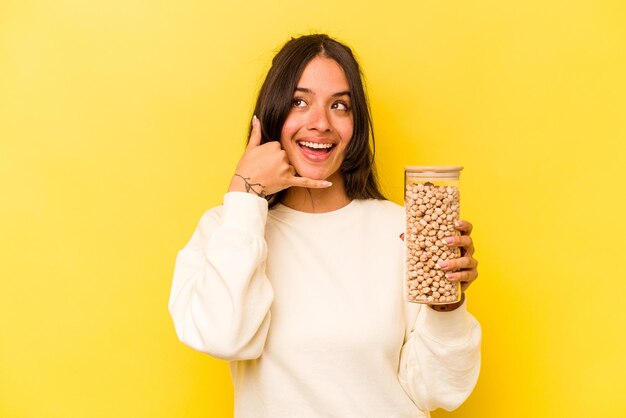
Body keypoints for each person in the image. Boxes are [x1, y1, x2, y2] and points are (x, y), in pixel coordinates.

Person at [168, 34, 481, 418]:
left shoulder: (402, 229)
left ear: (356, 124)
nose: (321, 123)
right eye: (300, 102)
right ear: (273, 115)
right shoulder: (230, 228)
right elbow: (223, 337)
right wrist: (244, 192)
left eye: (340, 106)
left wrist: (446, 306)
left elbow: (439, 390)